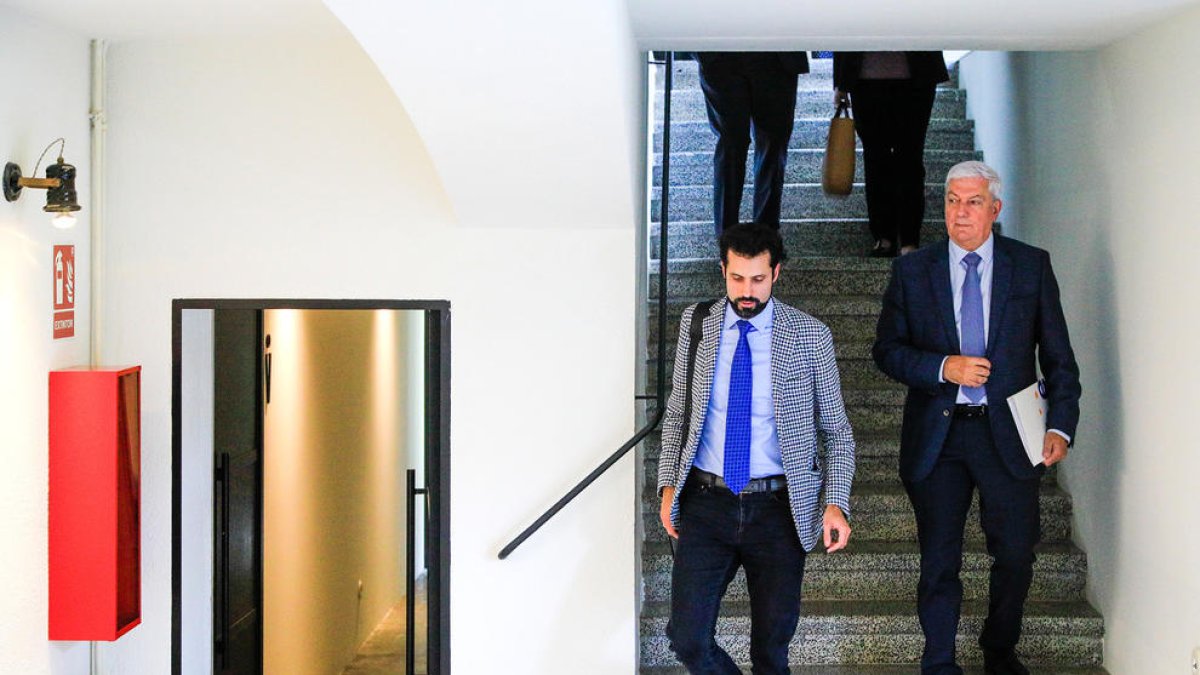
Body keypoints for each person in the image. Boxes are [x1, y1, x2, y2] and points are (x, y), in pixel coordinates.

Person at [872, 161, 1082, 675]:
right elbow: (887, 351)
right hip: (938, 438)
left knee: (1016, 554)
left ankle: (999, 648)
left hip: (1008, 433)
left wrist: (1060, 425)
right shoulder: (913, 271)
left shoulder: (1029, 266)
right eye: (951, 201)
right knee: (938, 558)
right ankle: (939, 661)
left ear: (995, 209)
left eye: (972, 202)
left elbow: (1059, 358)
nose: (960, 212)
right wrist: (943, 367)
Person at [657, 222, 856, 673]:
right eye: (737, 278)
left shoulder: (810, 336)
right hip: (706, 503)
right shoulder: (697, 324)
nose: (747, 291)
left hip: (778, 510)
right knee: (687, 639)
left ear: (776, 273)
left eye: (758, 279)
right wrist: (668, 485)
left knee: (770, 651)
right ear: (723, 270)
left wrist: (835, 503)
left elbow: (838, 432)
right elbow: (678, 413)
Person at [832, 52, 949, 257]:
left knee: (909, 158)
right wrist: (840, 82)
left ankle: (907, 238)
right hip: (865, 79)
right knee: (877, 160)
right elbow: (842, 35)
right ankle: (885, 235)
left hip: (916, 77)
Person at [694, 53, 809, 235]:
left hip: (775, 56)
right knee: (733, 144)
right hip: (721, 54)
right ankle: (729, 237)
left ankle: (764, 237)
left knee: (771, 145)